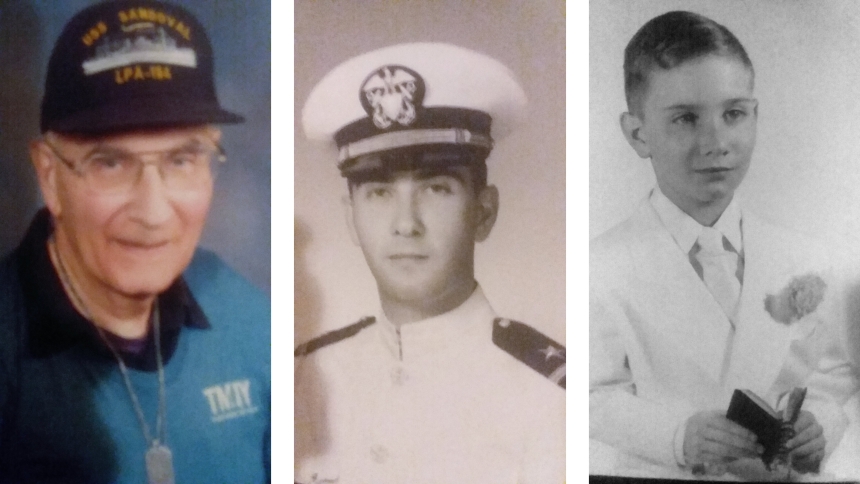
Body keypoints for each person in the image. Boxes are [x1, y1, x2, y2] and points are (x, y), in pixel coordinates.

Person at [0, 1, 270, 482]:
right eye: (110, 163)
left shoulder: (249, 320)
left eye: (182, 160)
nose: (152, 212)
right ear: (48, 175)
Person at [589, 10, 856, 480]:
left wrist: (822, 425)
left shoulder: (808, 259)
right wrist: (676, 436)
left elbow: (831, 376)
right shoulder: (600, 267)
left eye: (733, 114)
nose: (716, 142)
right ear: (637, 133)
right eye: (686, 119)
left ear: (754, 116)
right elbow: (589, 393)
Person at [294, 42, 565, 483]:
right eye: (379, 192)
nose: (405, 224)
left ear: (484, 211)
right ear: (350, 217)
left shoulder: (551, 399)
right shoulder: (304, 379)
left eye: (437, 188)